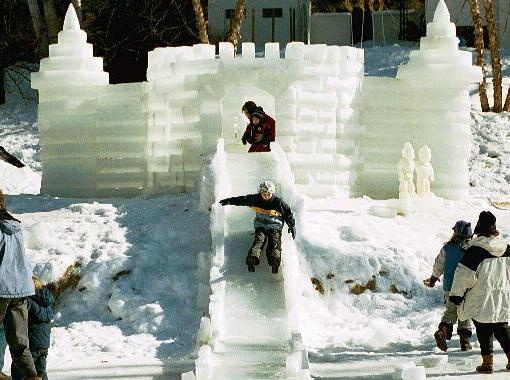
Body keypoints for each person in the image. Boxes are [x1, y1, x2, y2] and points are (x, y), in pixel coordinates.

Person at [449, 211, 510, 374]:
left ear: (479, 227)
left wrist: (456, 295)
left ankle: (487, 362)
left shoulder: (475, 250)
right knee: (502, 326)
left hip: (481, 297)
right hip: (502, 295)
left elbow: (463, 276)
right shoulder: (506, 248)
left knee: (483, 328)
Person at [0, 190, 40, 380]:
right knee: (20, 344)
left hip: (1, 288)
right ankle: (31, 377)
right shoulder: (14, 224)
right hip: (19, 288)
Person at [219, 180, 295, 274]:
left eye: (268, 194)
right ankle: (252, 258)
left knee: (274, 242)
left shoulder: (278, 203)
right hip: (261, 225)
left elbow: (288, 213)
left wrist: (292, 225)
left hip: (275, 226)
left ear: (272, 193)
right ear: (260, 193)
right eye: (264, 194)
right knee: (259, 240)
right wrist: (230, 200)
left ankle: (274, 260)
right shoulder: (256, 199)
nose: (266, 196)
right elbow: (243, 200)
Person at [424, 220, 473, 352]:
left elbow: (438, 265)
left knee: (450, 312)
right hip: (467, 288)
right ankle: (465, 341)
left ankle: (443, 331)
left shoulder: (447, 248)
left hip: (450, 288)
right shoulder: (473, 249)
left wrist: (434, 278)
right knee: (465, 314)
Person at [11, 278, 54, 380]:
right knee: (41, 370)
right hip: (44, 344)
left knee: (19, 369)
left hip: (32, 343)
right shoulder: (47, 302)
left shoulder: (28, 301)